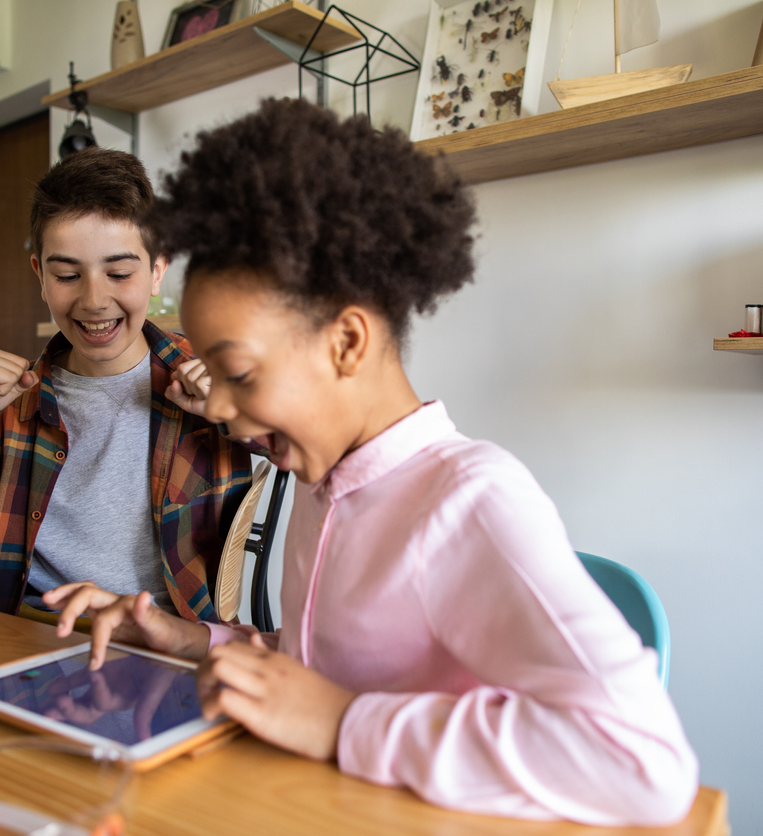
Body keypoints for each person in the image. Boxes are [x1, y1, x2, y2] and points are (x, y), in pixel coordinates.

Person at [47, 99, 699, 825]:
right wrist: (189, 640)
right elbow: (321, 663)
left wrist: (344, 724)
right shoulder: (321, 484)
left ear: (347, 343)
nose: (221, 409)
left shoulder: (469, 501)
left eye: (240, 374)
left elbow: (645, 764)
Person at [0, 147, 250, 624]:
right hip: (32, 644)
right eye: (68, 275)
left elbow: (327, 454)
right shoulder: (6, 408)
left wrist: (242, 412)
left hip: (170, 646)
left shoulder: (210, 379)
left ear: (157, 271)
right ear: (40, 276)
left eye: (119, 273)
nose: (94, 300)